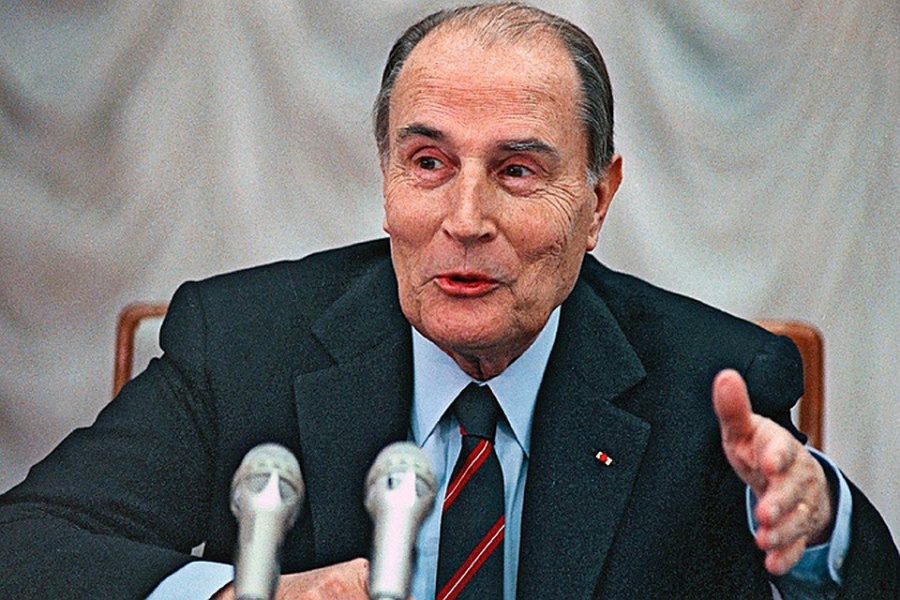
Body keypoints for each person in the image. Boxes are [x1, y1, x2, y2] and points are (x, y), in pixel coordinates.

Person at [0, 3, 897, 599]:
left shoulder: (711, 384)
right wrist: (239, 592)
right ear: (386, 175)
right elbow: (30, 543)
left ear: (598, 200)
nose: (465, 221)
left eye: (518, 171)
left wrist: (820, 531)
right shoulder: (241, 345)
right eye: (428, 163)